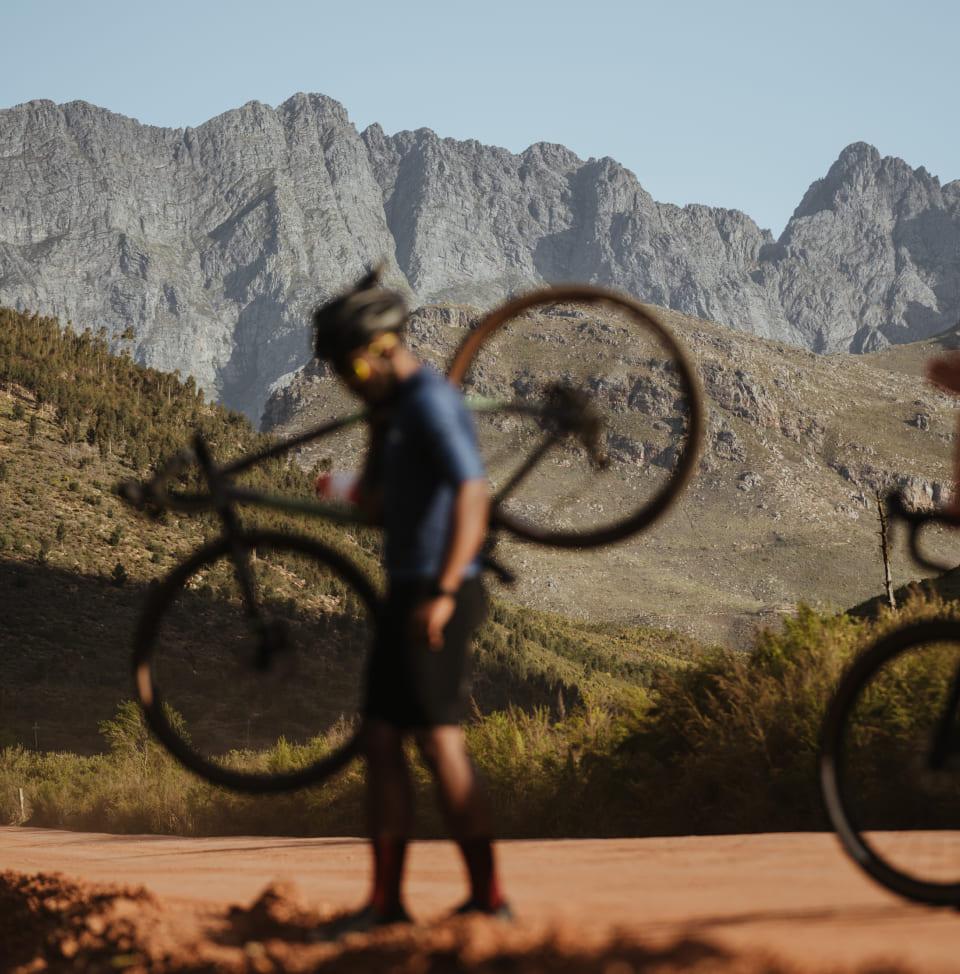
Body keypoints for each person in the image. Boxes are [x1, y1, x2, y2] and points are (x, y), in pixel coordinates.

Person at [310, 266, 511, 935]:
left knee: (438, 741)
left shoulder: (429, 401)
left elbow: (472, 493)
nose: (346, 381)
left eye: (349, 368)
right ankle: (386, 905)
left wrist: (447, 592)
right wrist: (338, 488)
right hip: (406, 590)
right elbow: (378, 500)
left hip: (438, 589)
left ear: (377, 351)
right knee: (382, 739)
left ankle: (488, 900)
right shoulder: (391, 411)